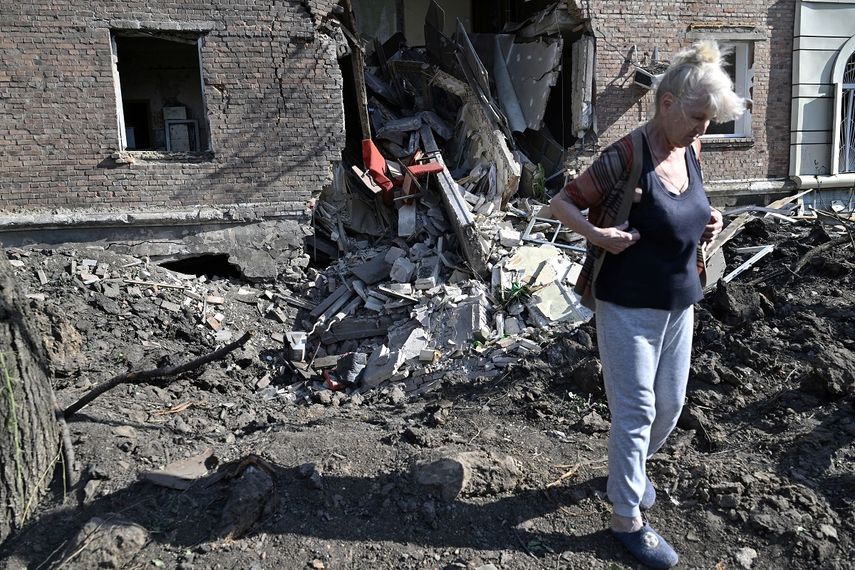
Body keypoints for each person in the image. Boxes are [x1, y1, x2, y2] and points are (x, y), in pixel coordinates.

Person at [549, 40, 744, 569]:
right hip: (628, 305)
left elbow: (692, 207)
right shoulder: (626, 155)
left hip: (681, 303)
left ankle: (625, 474)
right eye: (698, 117)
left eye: (710, 120)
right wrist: (597, 233)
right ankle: (626, 518)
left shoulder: (691, 148)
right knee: (635, 412)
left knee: (671, 408)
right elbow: (560, 203)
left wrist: (712, 221)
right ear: (667, 103)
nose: (703, 128)